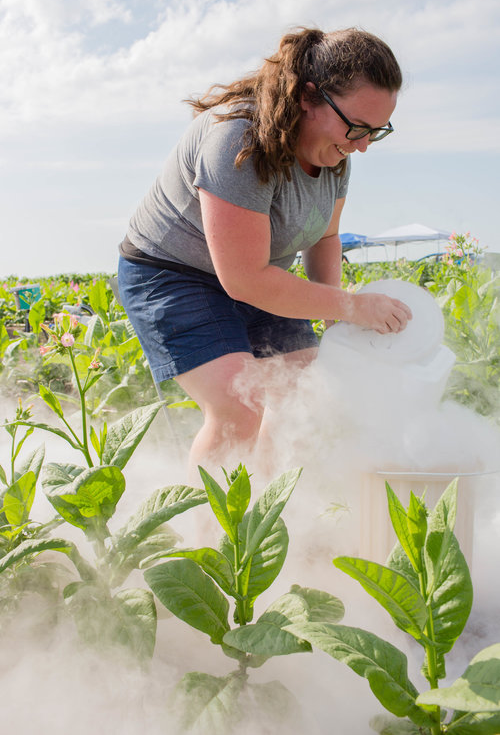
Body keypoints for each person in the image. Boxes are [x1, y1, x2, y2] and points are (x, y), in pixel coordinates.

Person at [117, 26, 412, 475]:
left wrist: (335, 320)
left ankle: (268, 515)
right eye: (356, 127)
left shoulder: (336, 151)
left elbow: (325, 237)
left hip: (263, 274)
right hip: (173, 274)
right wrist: (353, 306)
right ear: (308, 98)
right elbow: (245, 279)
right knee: (240, 406)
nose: (363, 145)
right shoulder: (238, 138)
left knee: (300, 396)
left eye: (376, 131)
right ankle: (212, 539)